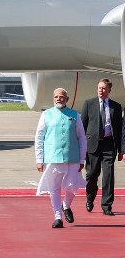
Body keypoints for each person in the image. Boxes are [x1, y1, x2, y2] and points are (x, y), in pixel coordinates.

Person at [35, 88, 87, 228]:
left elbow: (82, 138)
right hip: (53, 157)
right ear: (53, 99)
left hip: (72, 157)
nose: (59, 99)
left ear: (67, 99)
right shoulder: (46, 115)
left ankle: (66, 205)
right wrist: (39, 159)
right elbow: (39, 138)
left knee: (72, 186)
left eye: (62, 97)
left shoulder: (75, 115)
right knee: (55, 188)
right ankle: (58, 216)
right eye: (56, 97)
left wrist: (82, 159)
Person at [81, 78, 122, 215]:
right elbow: (82, 127)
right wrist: (81, 147)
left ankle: (106, 205)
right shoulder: (89, 104)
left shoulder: (116, 107)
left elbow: (120, 129)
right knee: (92, 175)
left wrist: (121, 150)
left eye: (104, 88)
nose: (100, 90)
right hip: (92, 144)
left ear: (109, 90)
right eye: (99, 87)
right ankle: (90, 197)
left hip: (109, 144)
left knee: (108, 176)